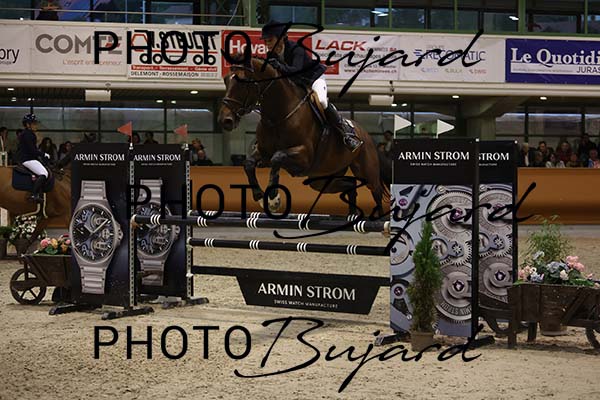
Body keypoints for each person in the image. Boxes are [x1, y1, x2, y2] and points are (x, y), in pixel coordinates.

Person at [260, 20, 363, 152]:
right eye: (265, 41)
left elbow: (296, 71)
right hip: (297, 83)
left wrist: (279, 66)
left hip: (313, 78)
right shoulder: (271, 55)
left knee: (322, 101)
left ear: (280, 38)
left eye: (270, 40)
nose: (267, 44)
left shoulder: (296, 49)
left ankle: (346, 133)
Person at [16, 114, 50, 203]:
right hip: (28, 159)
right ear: (28, 125)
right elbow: (32, 150)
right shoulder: (28, 134)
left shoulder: (27, 133)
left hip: (29, 158)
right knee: (44, 173)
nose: (36, 125)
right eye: (34, 123)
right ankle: (33, 194)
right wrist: (43, 154)